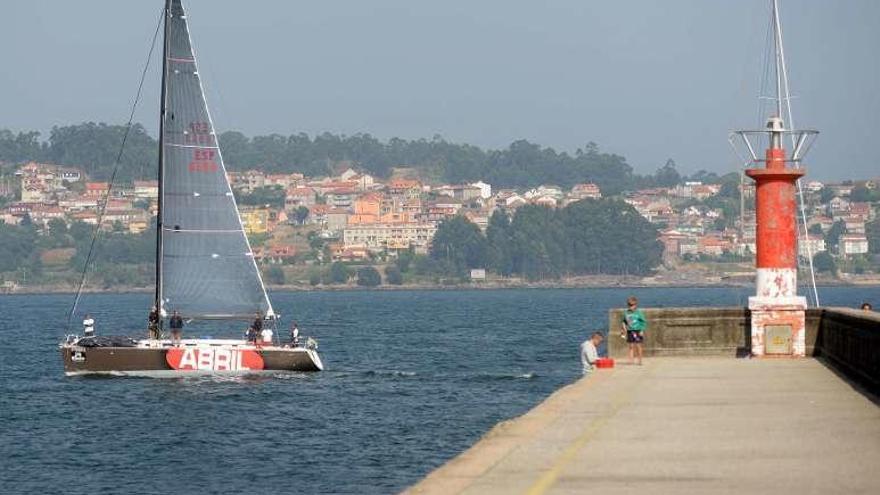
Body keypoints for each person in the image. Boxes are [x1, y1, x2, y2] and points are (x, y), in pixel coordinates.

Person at [621, 296, 647, 365]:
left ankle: (640, 360)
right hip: (630, 331)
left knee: (638, 346)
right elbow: (623, 321)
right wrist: (623, 328)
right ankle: (631, 360)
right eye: (629, 305)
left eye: (632, 305)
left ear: (635, 305)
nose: (630, 306)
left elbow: (643, 322)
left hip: (637, 330)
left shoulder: (638, 313)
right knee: (631, 346)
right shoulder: (626, 313)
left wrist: (642, 330)